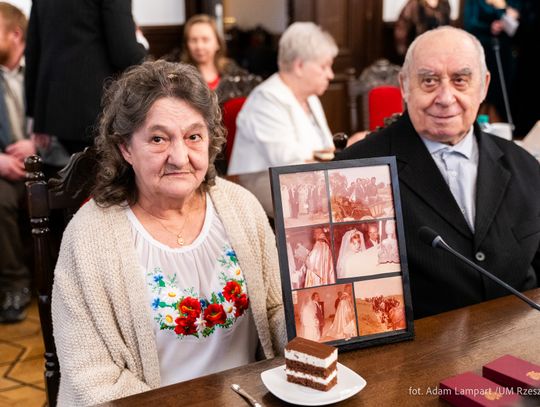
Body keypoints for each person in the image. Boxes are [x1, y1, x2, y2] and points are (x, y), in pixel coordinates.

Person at [51, 61, 286, 406]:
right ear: (125, 148)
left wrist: (305, 328)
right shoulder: (88, 238)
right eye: (158, 139)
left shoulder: (242, 207)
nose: (179, 157)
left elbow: (276, 307)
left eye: (194, 137)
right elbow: (91, 377)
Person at [337, 26, 540, 318]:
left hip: (520, 338)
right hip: (421, 345)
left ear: (483, 85)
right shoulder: (354, 172)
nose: (445, 97)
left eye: (460, 80)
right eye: (429, 81)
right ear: (404, 85)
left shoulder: (525, 166)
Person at [24, 0, 147, 155]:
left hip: (54, 113)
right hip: (99, 111)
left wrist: (36, 117)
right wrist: (142, 44)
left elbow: (33, 51)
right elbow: (124, 55)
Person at [227, 22, 337, 175]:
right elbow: (291, 167)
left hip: (310, 183)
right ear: (299, 66)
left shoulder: (310, 98)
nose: (331, 75)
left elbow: (327, 150)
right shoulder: (265, 101)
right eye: (324, 66)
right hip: (261, 188)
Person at [0, 2, 33, 323]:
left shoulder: (44, 67)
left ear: (15, 34)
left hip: (50, 161)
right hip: (5, 170)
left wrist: (39, 145)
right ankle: (15, 285)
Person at [464, 0, 521, 123]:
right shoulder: (475, 2)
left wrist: (507, 12)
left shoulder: (509, 2)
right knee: (484, 89)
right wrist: (490, 27)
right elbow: (470, 24)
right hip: (485, 51)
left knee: (502, 92)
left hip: (505, 54)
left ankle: (500, 123)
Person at [171, 14, 246, 94]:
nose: (199, 46)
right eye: (193, 40)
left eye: (205, 39)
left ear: (218, 43)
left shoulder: (234, 73)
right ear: (186, 45)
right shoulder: (179, 77)